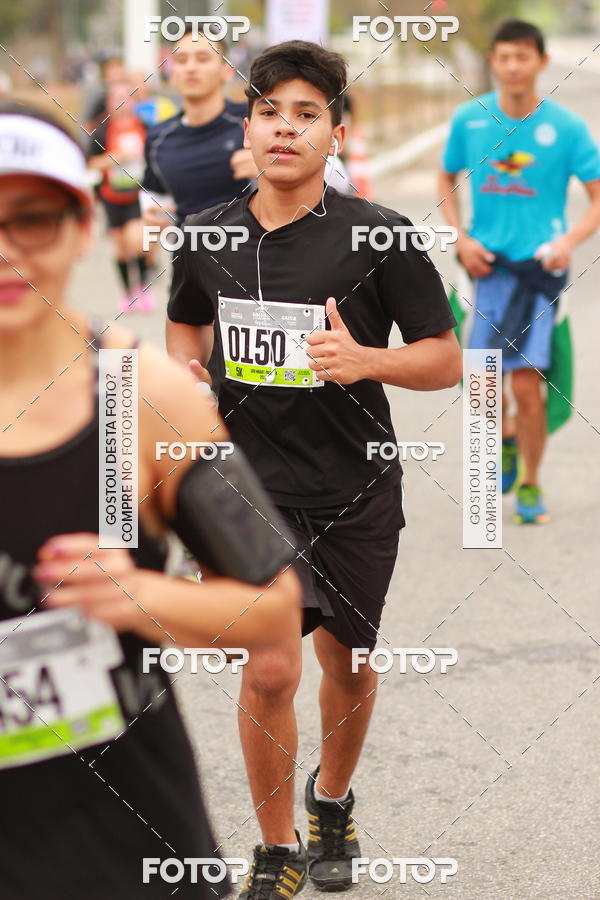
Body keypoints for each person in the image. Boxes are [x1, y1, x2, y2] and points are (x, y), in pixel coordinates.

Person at [167, 40, 461, 898]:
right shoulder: (206, 235)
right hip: (247, 491)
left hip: (354, 488)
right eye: (269, 112)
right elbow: (185, 328)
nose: (285, 129)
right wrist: (187, 381)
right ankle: (276, 849)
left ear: (336, 132)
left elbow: (444, 360)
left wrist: (364, 361)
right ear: (248, 127)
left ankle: (331, 799)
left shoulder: (379, 236)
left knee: (347, 665)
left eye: (306, 114)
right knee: (268, 666)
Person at [0, 100, 300, 900]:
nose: (7, 250)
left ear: (84, 226)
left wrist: (143, 595)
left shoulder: (145, 394)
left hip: (130, 850)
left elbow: (275, 605)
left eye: (33, 219)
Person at [438, 19, 600, 523]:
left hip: (540, 277)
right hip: (484, 271)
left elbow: (597, 197)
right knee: (485, 385)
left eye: (522, 57)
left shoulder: (567, 129)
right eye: (504, 57)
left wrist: (567, 242)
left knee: (528, 387)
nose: (512, 66)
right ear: (493, 62)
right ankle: (499, 451)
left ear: (540, 63)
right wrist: (460, 238)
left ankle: (530, 482)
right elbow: (446, 176)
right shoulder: (470, 119)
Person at [140, 27, 257, 231]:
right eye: (181, 60)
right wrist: (151, 215)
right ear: (172, 73)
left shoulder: (255, 121)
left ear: (227, 71)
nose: (190, 68)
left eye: (202, 59)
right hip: (184, 258)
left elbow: (322, 178)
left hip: (250, 257)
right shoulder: (158, 137)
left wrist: (270, 168)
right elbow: (154, 195)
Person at [88, 81, 155, 313]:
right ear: (109, 103)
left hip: (139, 194)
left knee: (137, 240)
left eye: (125, 97)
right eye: (116, 97)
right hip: (111, 196)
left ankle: (144, 287)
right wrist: (116, 158)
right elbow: (92, 164)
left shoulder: (144, 127)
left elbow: (156, 156)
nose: (121, 103)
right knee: (120, 249)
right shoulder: (102, 130)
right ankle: (128, 293)